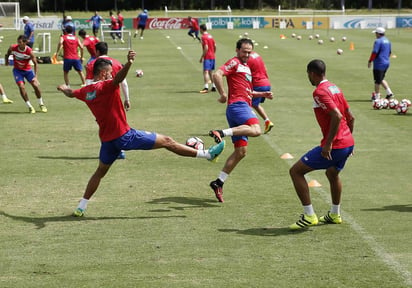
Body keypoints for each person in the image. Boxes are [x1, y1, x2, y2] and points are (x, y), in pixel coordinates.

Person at [56, 50, 226, 217]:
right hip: (124, 136)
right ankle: (207, 155)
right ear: (102, 73)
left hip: (108, 141)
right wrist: (129, 63)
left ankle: (81, 206)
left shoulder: (86, 91)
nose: (111, 75)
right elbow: (118, 79)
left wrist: (64, 88)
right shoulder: (105, 86)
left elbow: (71, 93)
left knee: (99, 172)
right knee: (167, 141)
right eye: (109, 72)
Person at [289, 59, 355, 230]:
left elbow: (337, 116)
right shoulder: (335, 88)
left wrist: (329, 144)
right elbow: (350, 116)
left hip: (337, 145)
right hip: (347, 143)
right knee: (332, 174)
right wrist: (348, 141)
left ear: (312, 73)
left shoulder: (320, 91)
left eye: (308, 74)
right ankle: (334, 214)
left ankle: (309, 216)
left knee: (296, 171)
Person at [208, 38, 273, 203]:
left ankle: (219, 182)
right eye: (244, 51)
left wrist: (262, 94)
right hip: (238, 107)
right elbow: (217, 74)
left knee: (241, 152)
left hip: (240, 107)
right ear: (237, 50)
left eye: (249, 52)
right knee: (257, 130)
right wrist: (223, 94)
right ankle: (221, 132)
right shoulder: (235, 62)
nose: (247, 54)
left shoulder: (246, 67)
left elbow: (247, 91)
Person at [85, 41, 131, 160]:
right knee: (119, 124)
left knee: (104, 126)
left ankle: (109, 150)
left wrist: (91, 101)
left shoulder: (92, 64)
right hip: (115, 100)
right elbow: (124, 83)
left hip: (100, 102)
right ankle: (119, 151)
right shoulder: (115, 63)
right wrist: (127, 99)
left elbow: (88, 85)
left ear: (97, 51)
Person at [5, 35, 47, 113]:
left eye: (20, 42)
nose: (18, 44)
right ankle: (29, 106)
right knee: (21, 87)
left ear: (25, 43)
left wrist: (36, 77)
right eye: (18, 42)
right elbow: (7, 54)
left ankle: (41, 104)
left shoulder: (29, 51)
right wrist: (6, 61)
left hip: (28, 71)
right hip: (17, 71)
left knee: (36, 86)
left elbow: (35, 64)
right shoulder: (13, 47)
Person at [247, 51, 274, 134]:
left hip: (257, 84)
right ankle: (267, 121)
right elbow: (265, 68)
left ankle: (252, 124)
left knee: (247, 104)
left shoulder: (247, 58)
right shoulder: (257, 54)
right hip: (265, 82)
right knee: (255, 105)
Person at [368, 27, 394, 101]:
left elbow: (374, 52)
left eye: (376, 33)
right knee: (381, 78)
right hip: (386, 63)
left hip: (379, 64)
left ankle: (377, 97)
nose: (375, 35)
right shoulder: (387, 41)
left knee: (377, 81)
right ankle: (389, 93)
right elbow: (389, 52)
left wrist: (370, 61)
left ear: (378, 34)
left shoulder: (378, 41)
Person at [199, 24, 217, 94]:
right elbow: (215, 46)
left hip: (207, 57)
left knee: (205, 72)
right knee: (211, 72)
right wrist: (213, 53)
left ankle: (206, 87)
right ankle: (213, 86)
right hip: (212, 56)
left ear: (201, 29)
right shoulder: (210, 36)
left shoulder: (203, 37)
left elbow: (206, 47)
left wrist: (202, 57)